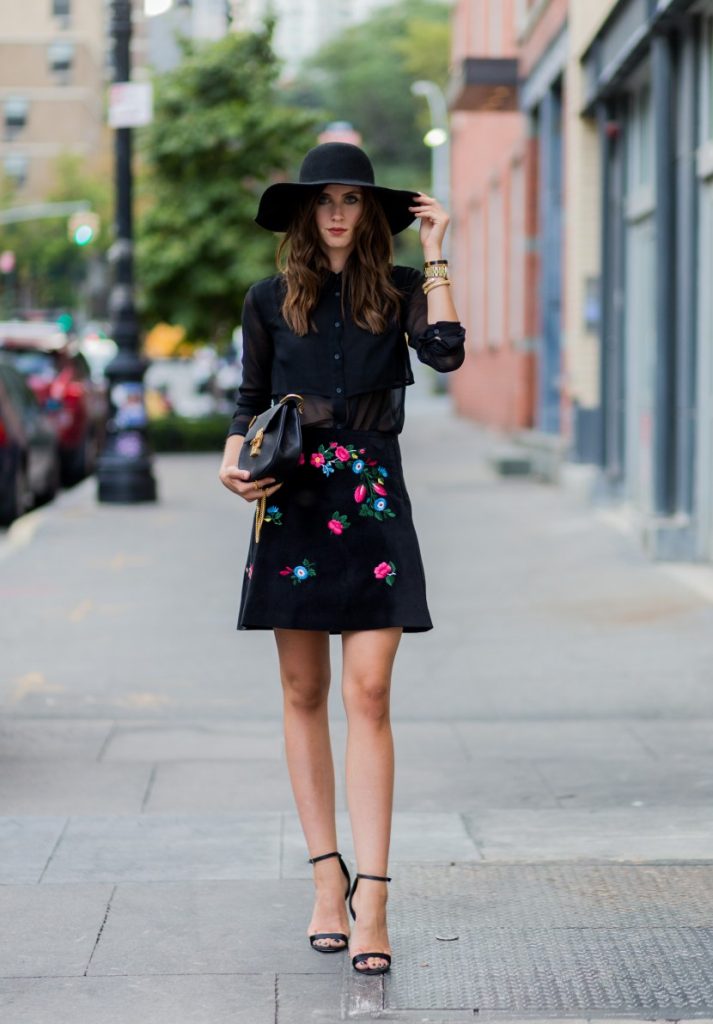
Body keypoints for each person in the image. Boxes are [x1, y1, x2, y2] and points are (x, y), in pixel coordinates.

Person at [219, 142, 465, 976]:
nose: (334, 212)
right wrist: (231, 454)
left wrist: (435, 256)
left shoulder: (395, 292)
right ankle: (327, 879)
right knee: (302, 690)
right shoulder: (265, 299)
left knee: (368, 690)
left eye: (350, 200)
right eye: (321, 200)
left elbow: (445, 353)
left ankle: (377, 896)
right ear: (301, 212)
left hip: (371, 499)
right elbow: (250, 398)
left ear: (368, 214)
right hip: (291, 498)